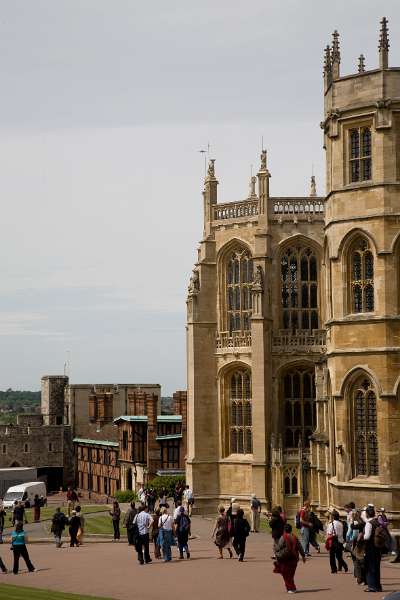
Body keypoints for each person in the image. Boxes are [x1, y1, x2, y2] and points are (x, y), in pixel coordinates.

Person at [274, 523, 306, 593]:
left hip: (286, 559)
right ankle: (291, 587)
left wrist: (275, 551)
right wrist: (303, 556)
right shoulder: (294, 537)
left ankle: (291, 588)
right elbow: (300, 547)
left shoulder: (283, 537)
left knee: (286, 574)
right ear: (291, 530)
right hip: (294, 558)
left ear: (284, 530)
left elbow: (279, 547)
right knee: (291, 574)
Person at [363, 505, 382, 592]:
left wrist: (362, 537)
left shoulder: (369, 523)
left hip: (370, 546)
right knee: (376, 567)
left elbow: (367, 537)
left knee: (370, 567)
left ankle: (372, 586)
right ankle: (377, 585)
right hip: (378, 546)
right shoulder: (377, 522)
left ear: (367, 514)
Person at [326, 510, 348, 574]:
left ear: (332, 517)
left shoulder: (331, 524)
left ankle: (334, 569)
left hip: (333, 541)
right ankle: (344, 565)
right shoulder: (341, 524)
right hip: (340, 541)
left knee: (332, 556)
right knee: (339, 556)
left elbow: (329, 533)